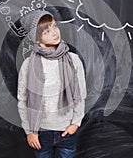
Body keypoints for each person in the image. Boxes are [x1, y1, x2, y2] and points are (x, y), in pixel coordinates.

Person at [17, 9, 87, 158]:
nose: (54, 33)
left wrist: (76, 123)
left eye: (55, 26)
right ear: (37, 39)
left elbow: (80, 94)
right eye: (46, 32)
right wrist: (29, 132)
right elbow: (23, 100)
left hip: (66, 130)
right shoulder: (29, 64)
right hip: (41, 133)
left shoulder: (73, 59)